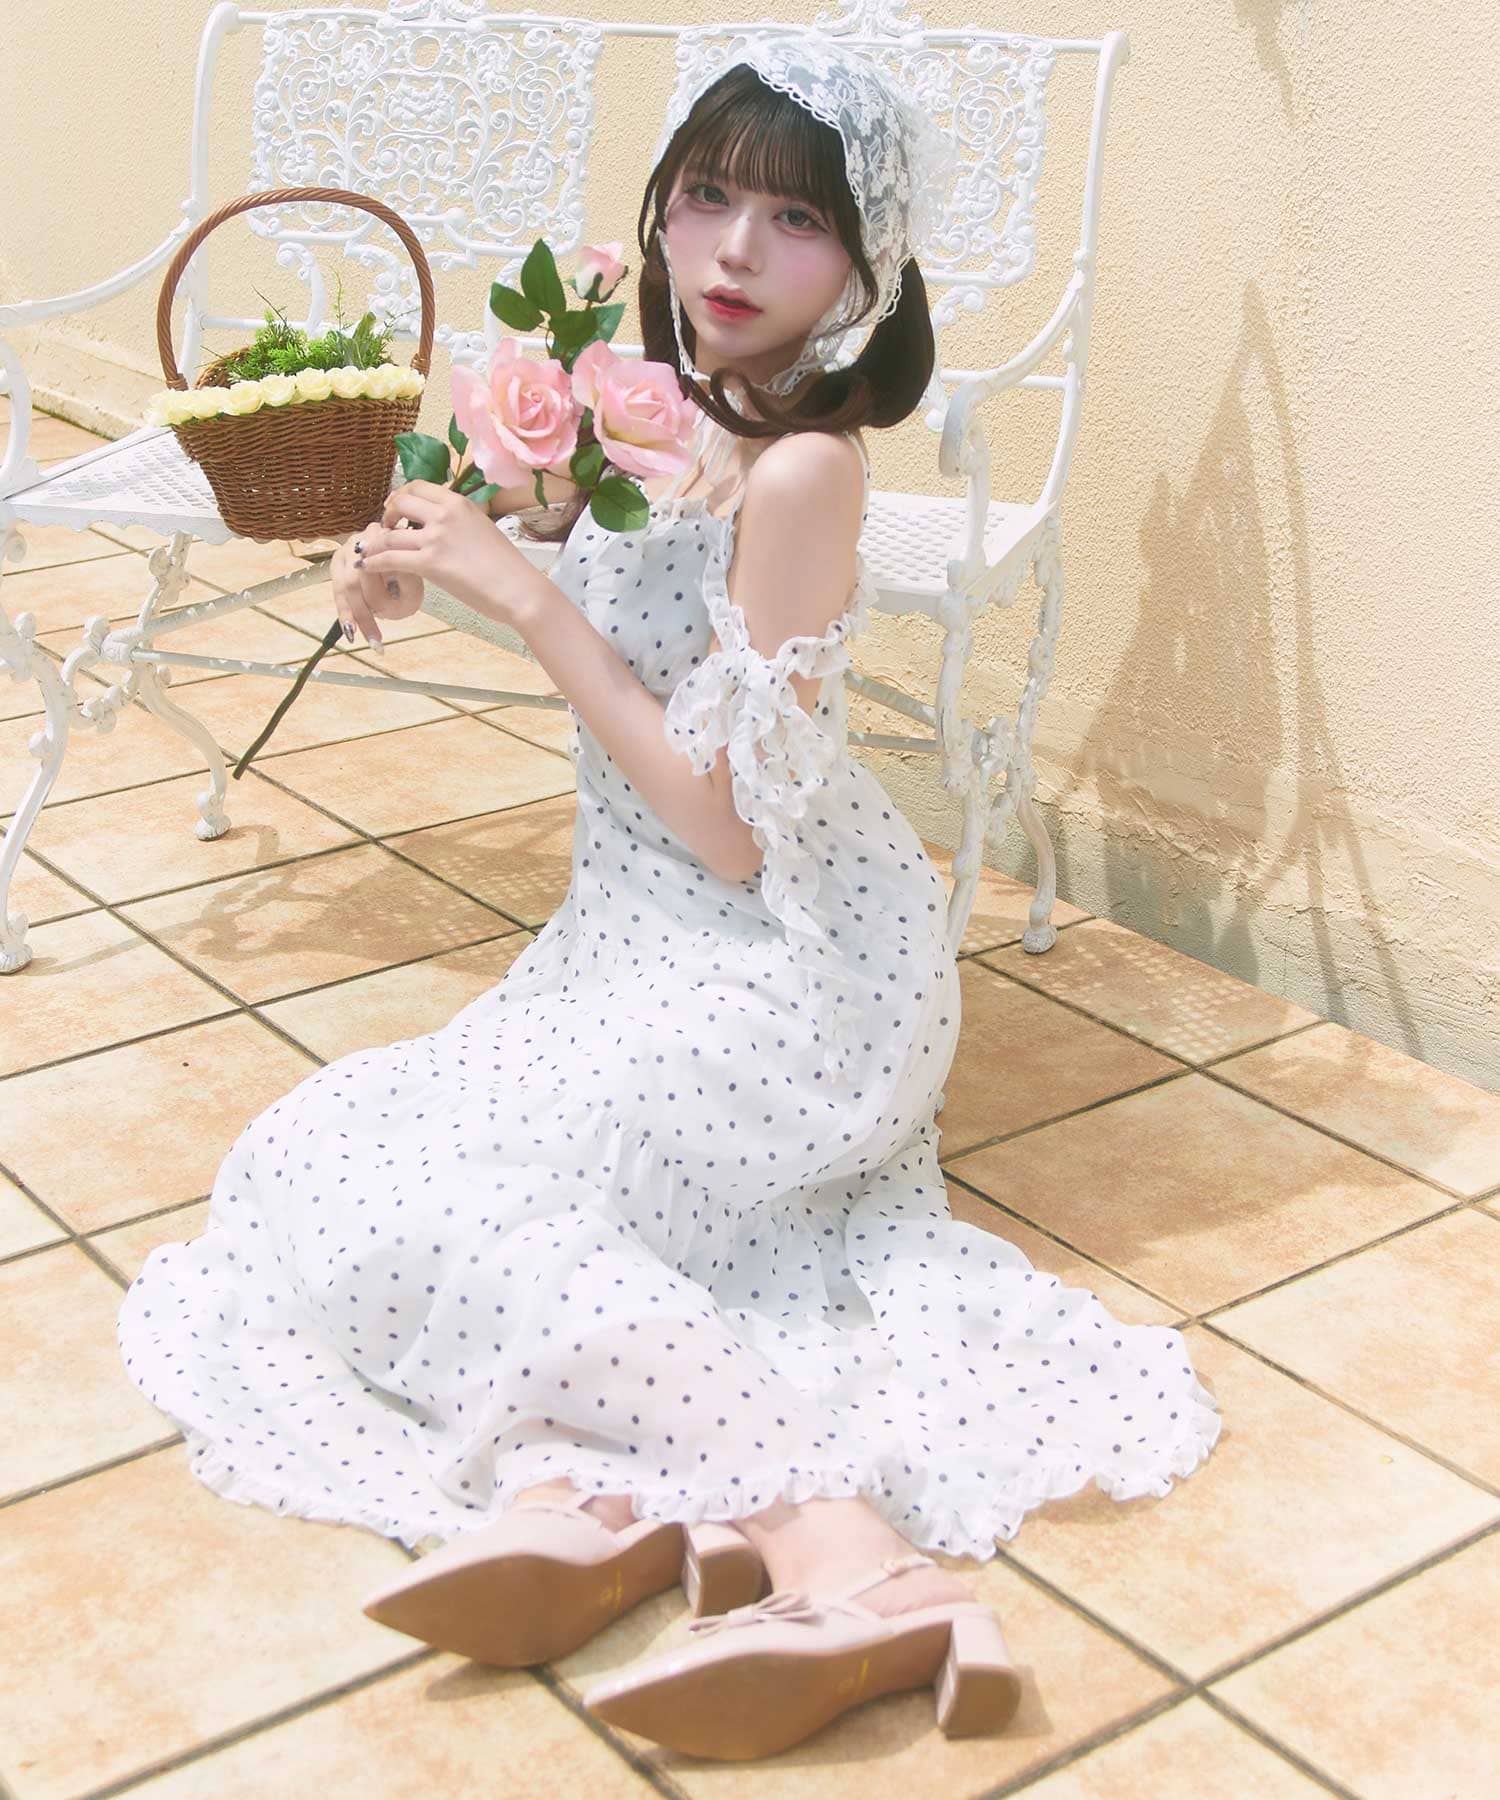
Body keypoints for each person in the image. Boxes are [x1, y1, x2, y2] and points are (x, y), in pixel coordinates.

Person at [116, 30, 1222, 1762]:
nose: (732, 251)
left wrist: (523, 600)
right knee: (329, 1158)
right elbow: (545, 540)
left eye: (795, 220)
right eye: (705, 197)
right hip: (626, 948)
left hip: (789, 971)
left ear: (863, 265)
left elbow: (731, 832)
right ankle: (599, 1501)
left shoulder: (805, 470)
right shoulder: (663, 409)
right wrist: (411, 553)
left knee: (463, 1195)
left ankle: (842, 1553)